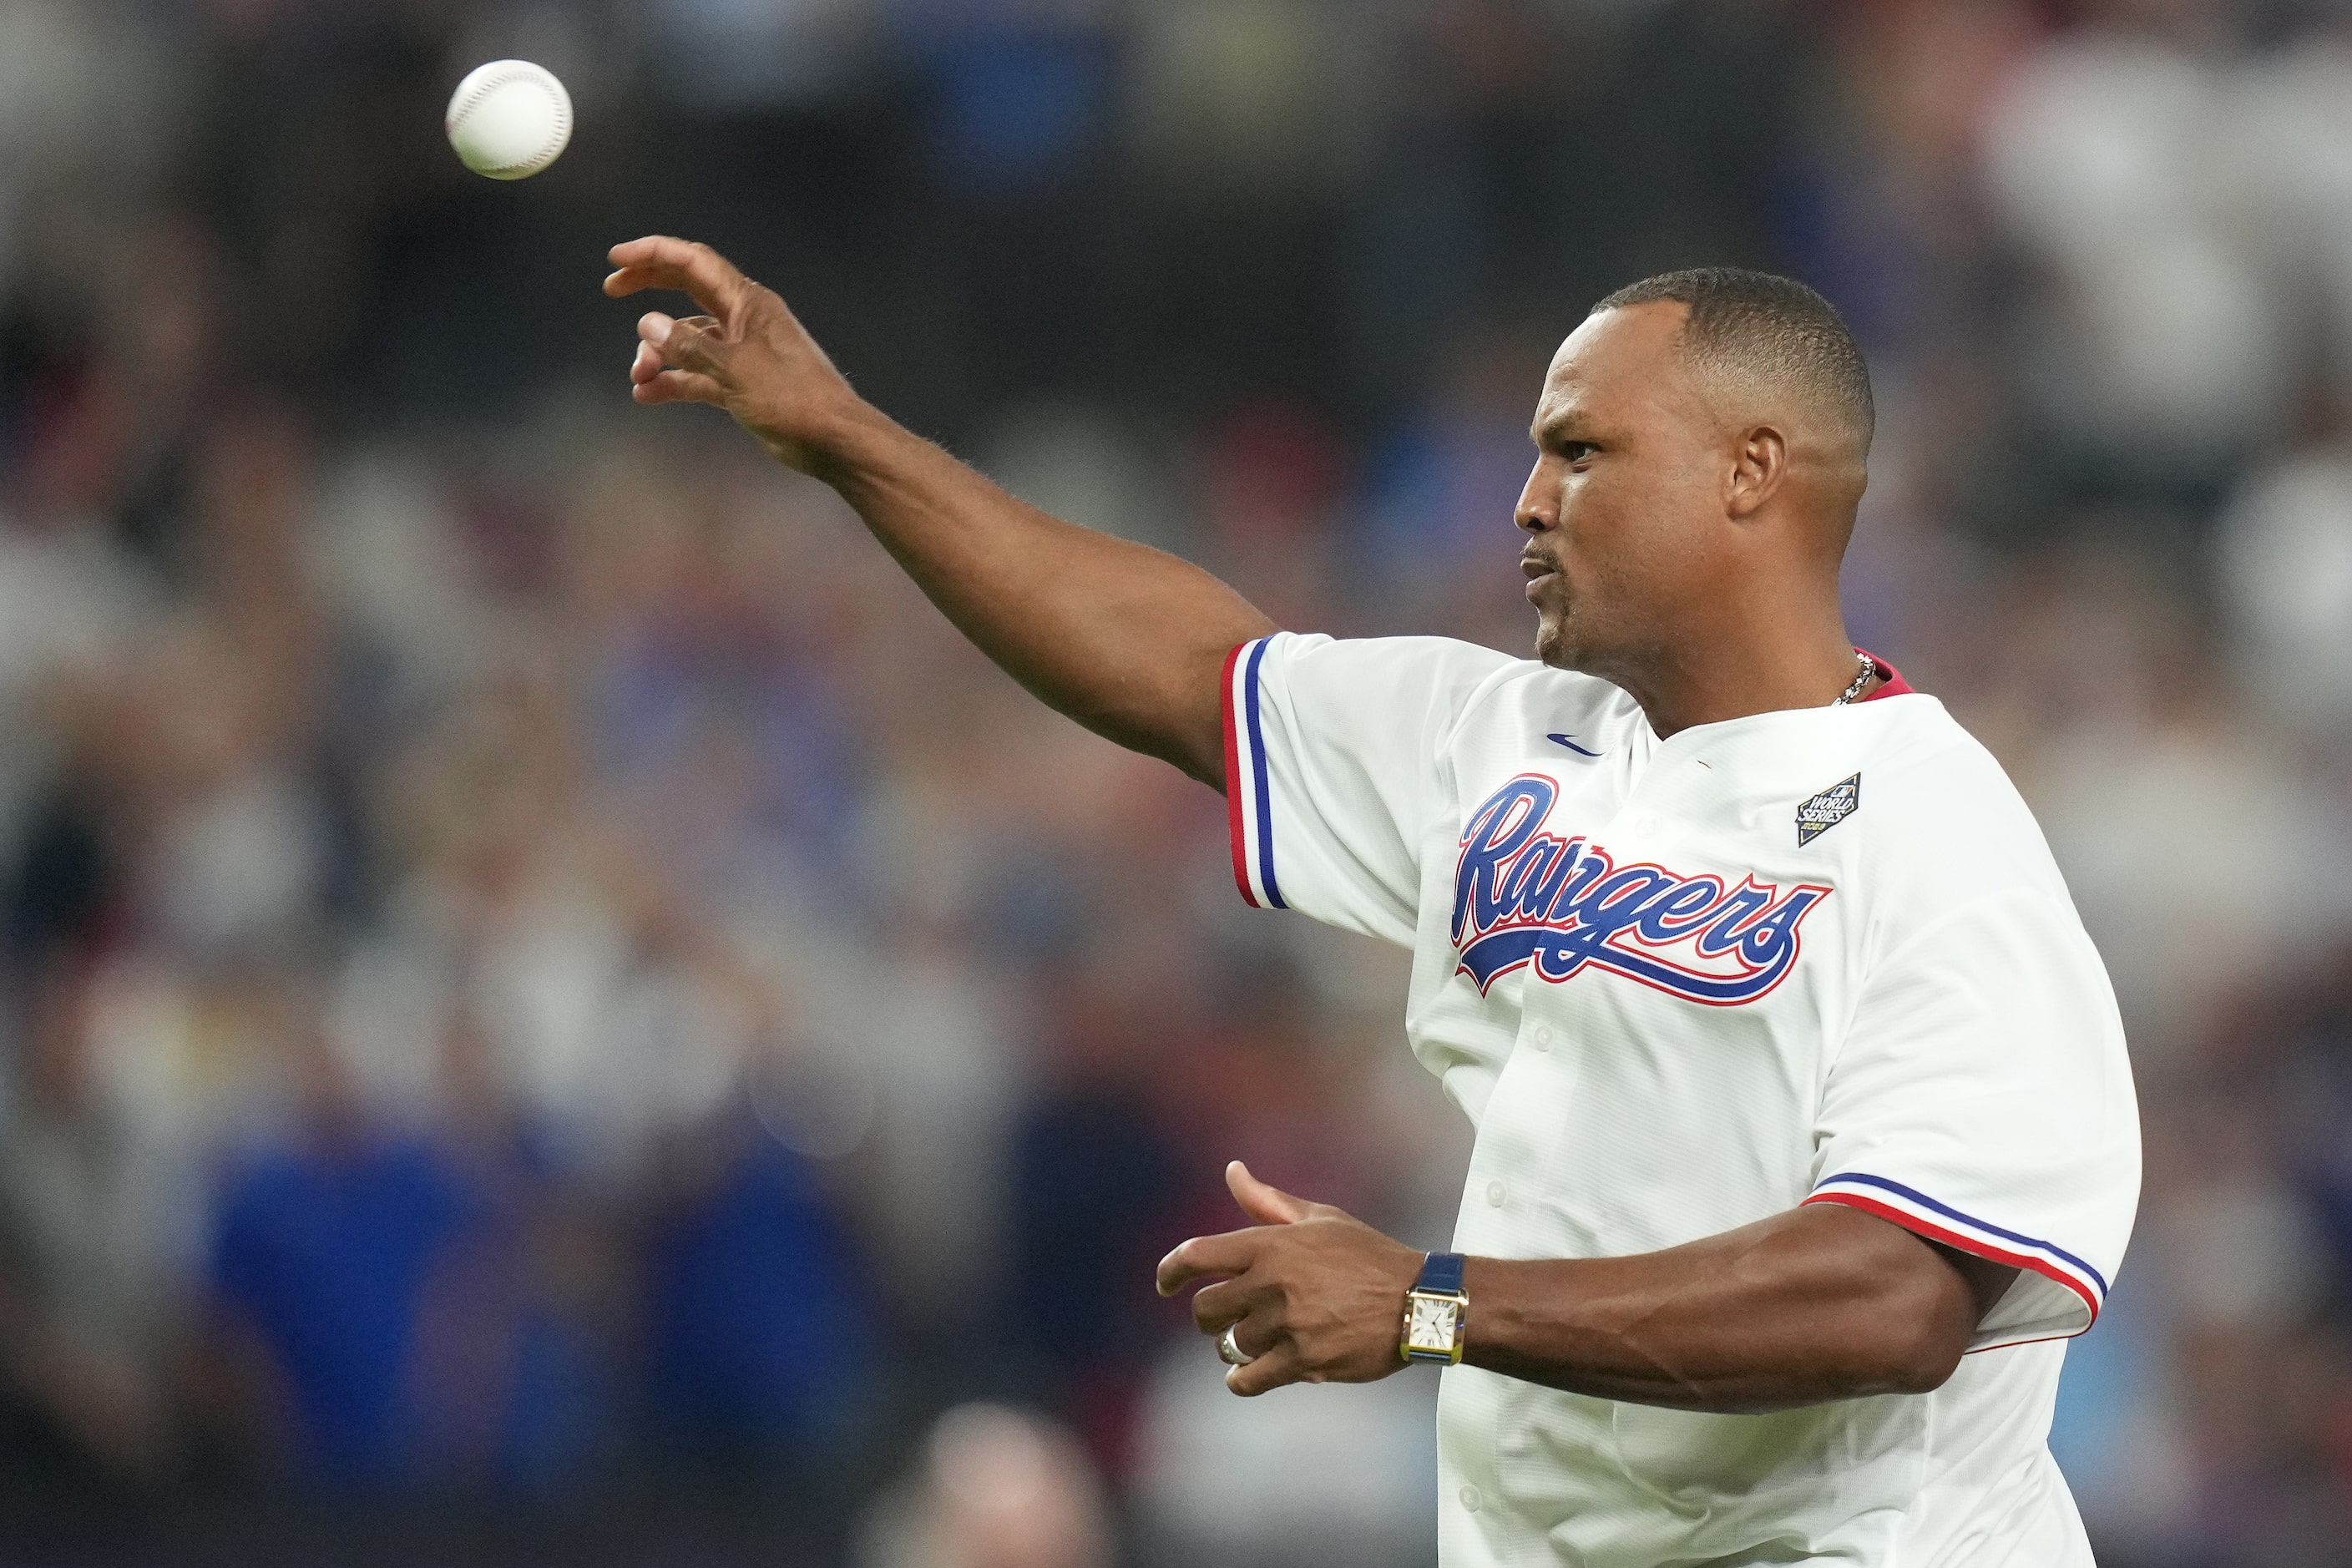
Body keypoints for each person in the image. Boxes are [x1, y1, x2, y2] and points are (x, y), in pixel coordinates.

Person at [602, 238, 2141, 1566]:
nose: (1527, 502)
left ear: (1751, 470)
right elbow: (1186, 670)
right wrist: (845, 437)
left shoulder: (1932, 837)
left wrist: (1427, 1303)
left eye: (1583, 452)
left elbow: (1893, 1295)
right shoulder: (1517, 745)